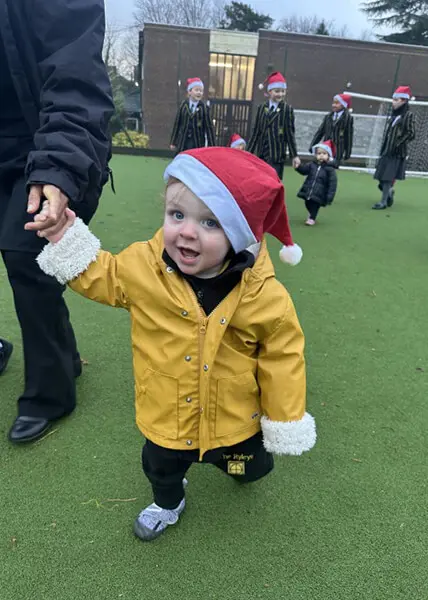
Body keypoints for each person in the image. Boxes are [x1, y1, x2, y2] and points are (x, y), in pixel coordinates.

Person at [36, 147, 316, 542]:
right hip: (167, 411)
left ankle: (239, 468)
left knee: (249, 467)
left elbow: (283, 356)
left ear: (241, 234)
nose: (186, 231)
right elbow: (105, 275)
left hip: (235, 419)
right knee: (160, 467)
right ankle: (168, 503)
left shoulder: (264, 296)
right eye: (177, 215)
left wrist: (284, 417)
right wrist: (64, 237)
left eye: (210, 223)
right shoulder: (143, 267)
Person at [0, 0, 114, 443]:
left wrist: (57, 167)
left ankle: (52, 393)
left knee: (26, 253)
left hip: (43, 138)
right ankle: (58, 358)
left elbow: (75, 78)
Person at [247, 72, 301, 180]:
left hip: (277, 155)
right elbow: (256, 131)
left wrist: (294, 155)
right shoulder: (262, 108)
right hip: (262, 155)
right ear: (269, 91)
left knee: (273, 182)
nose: (280, 94)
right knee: (261, 181)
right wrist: (248, 152)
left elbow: (290, 134)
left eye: (283, 91)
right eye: (277, 91)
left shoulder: (287, 110)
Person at [372, 86, 415, 210]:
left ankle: (383, 202)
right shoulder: (393, 116)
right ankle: (389, 191)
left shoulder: (408, 115)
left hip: (396, 152)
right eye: (393, 99)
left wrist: (397, 143)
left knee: (387, 178)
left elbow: (411, 133)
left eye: (397, 100)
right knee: (380, 177)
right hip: (387, 150)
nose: (393, 102)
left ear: (404, 101)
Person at [295, 140, 338, 226]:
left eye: (324, 154)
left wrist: (330, 196)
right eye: (319, 153)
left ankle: (312, 218)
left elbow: (333, 183)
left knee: (315, 205)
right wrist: (298, 167)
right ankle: (311, 214)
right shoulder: (312, 165)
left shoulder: (330, 169)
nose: (321, 155)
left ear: (329, 156)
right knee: (307, 203)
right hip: (309, 189)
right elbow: (304, 171)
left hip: (320, 192)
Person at [170, 78, 216, 153]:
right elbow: (177, 124)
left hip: (197, 143)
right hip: (183, 143)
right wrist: (173, 141)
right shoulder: (183, 106)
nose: (199, 93)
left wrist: (212, 146)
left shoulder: (204, 108)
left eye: (201, 91)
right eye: (196, 90)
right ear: (189, 92)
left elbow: (209, 128)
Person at [310, 93, 354, 165]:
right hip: (326, 149)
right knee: (323, 169)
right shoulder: (328, 117)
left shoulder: (348, 118)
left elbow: (348, 136)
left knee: (332, 171)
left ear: (343, 104)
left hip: (338, 151)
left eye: (337, 103)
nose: (334, 105)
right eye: (333, 103)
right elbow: (320, 132)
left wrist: (347, 153)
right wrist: (312, 145)